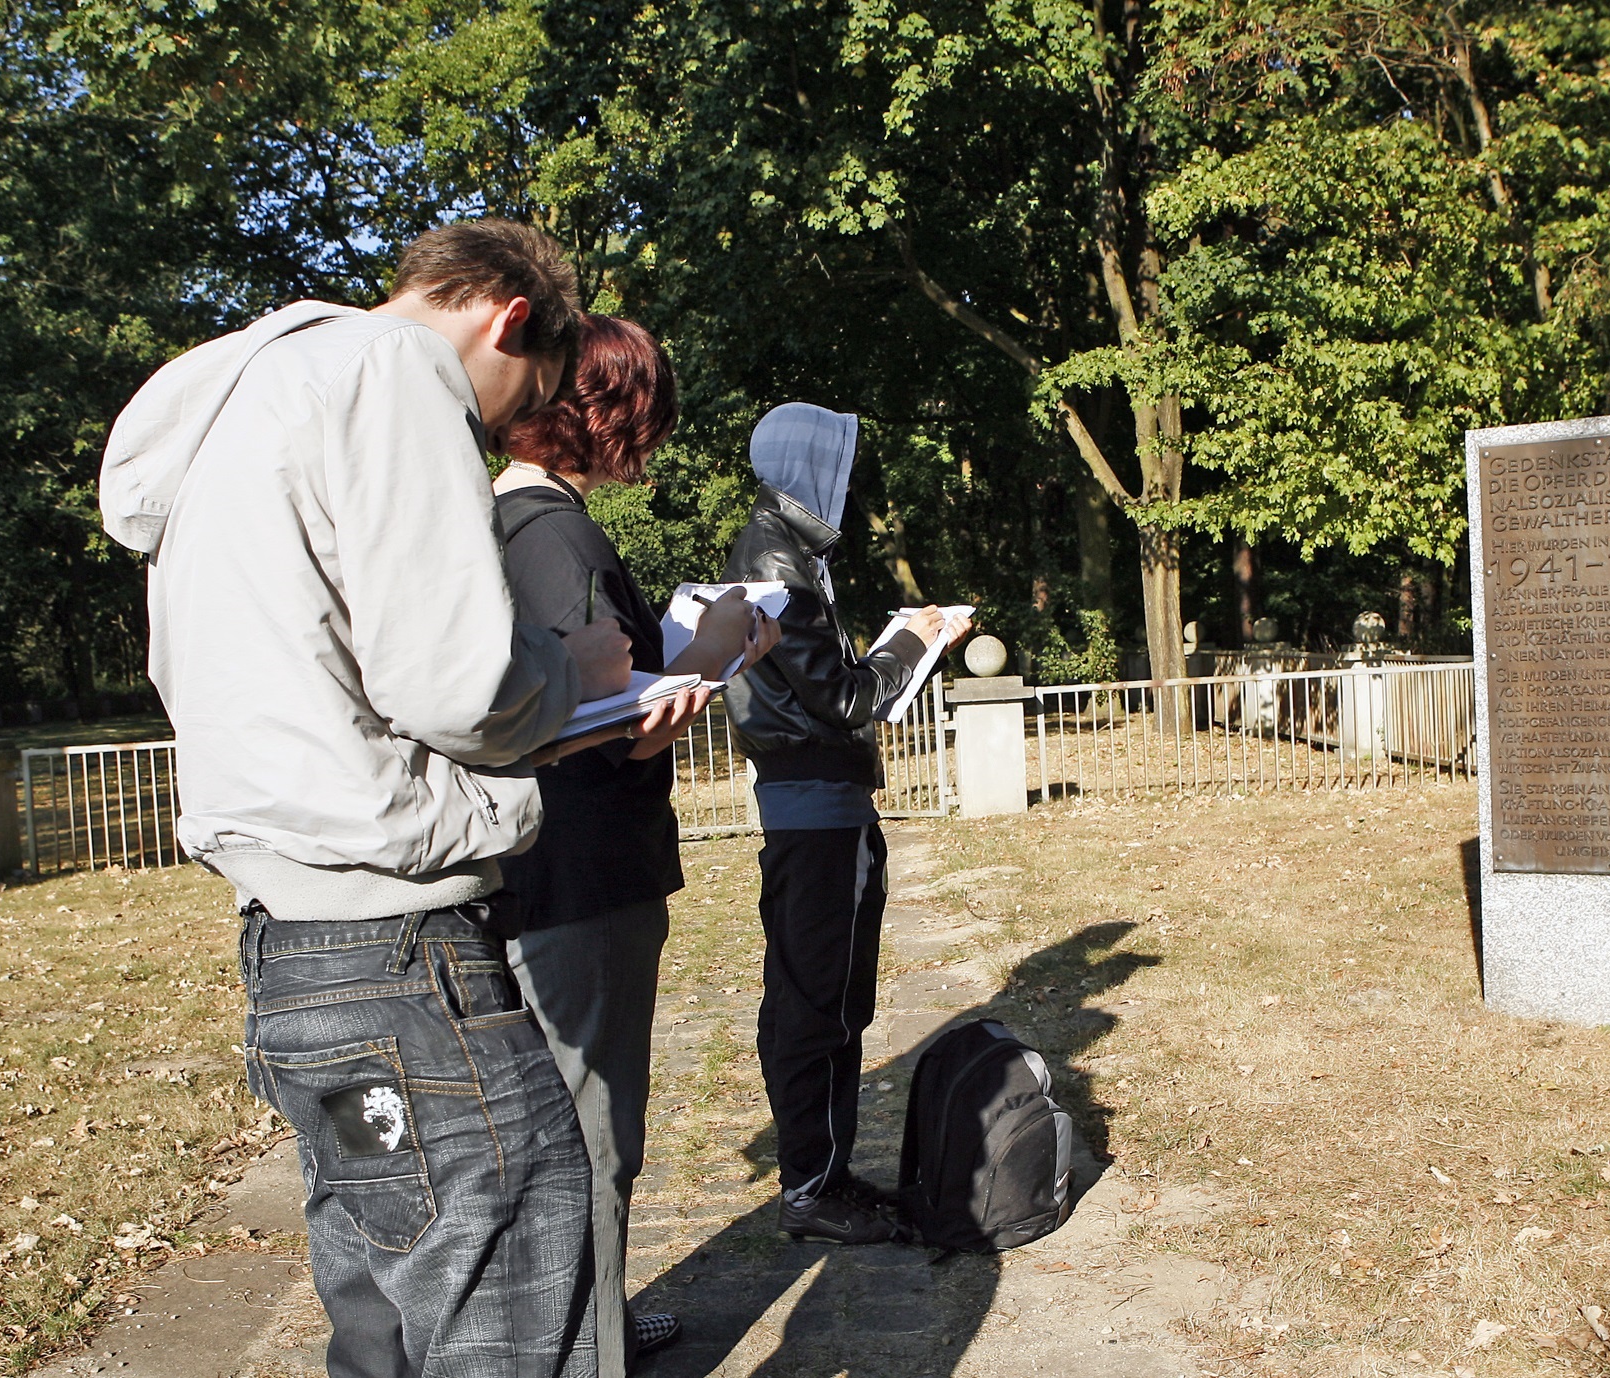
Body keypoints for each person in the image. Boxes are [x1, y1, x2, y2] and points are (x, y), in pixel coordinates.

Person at [99, 221, 634, 1378]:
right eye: (521, 397)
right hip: (403, 961)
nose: (497, 428)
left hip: (295, 965)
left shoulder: (246, 400)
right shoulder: (394, 376)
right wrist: (578, 668)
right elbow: (457, 679)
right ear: (508, 321)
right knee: (512, 1275)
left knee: (383, 1298)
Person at [492, 314, 778, 1374]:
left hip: (559, 877)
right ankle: (590, 1350)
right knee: (591, 1133)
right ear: (599, 408)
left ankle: (600, 1318)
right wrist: (706, 652)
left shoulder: (524, 524)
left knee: (577, 1124)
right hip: (580, 882)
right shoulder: (548, 532)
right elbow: (587, 723)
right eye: (645, 412)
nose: (652, 438)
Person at [721, 403, 969, 1244]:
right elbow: (842, 697)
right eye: (837, 463)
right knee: (814, 1002)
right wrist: (912, 643)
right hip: (814, 815)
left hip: (823, 809)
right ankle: (810, 1189)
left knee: (827, 999)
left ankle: (821, 1176)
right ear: (805, 467)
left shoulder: (788, 551)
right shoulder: (775, 559)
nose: (846, 481)